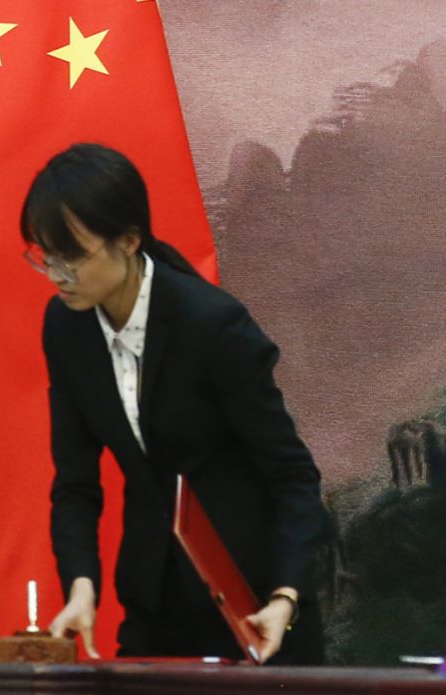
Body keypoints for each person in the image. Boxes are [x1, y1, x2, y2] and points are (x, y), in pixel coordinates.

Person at [29, 144, 329, 663]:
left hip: (253, 606)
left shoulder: (212, 325)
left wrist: (285, 596)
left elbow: (294, 479)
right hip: (154, 601)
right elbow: (75, 485)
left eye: (72, 256)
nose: (57, 275)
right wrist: (81, 587)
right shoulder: (67, 327)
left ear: (128, 240)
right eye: (44, 256)